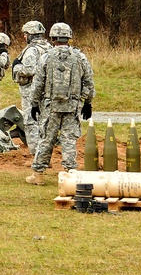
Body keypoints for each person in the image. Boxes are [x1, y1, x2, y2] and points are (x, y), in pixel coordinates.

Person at [26, 22, 95, 185]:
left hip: (51, 107)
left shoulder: (46, 57)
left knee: (46, 138)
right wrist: (87, 102)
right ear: (68, 37)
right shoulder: (80, 57)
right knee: (69, 139)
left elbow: (38, 83)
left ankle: (38, 175)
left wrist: (34, 104)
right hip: (72, 106)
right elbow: (89, 82)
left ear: (53, 37)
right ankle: (70, 174)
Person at [13, 21, 51, 154]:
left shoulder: (32, 50)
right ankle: (46, 152)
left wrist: (17, 67)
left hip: (31, 91)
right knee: (44, 121)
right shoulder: (49, 47)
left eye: (25, 34)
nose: (24, 37)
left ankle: (36, 154)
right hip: (47, 91)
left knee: (30, 122)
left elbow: (29, 69)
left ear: (31, 34)